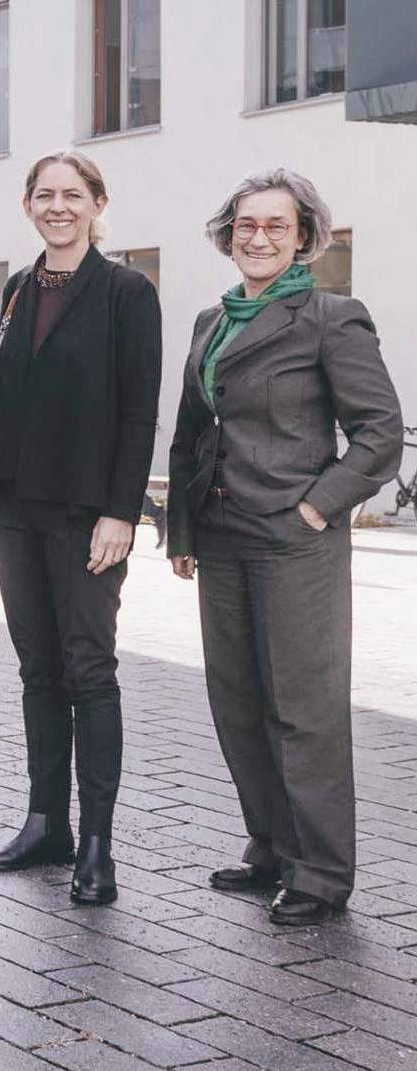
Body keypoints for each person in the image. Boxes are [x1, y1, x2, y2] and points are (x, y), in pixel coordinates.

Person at [167, 168, 401, 927]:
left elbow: (379, 435)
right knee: (236, 699)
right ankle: (269, 846)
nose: (258, 237)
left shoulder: (333, 316)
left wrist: (316, 509)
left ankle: (322, 874)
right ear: (227, 234)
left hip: (295, 539)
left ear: (302, 237)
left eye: (274, 225)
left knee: (304, 709)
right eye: (245, 225)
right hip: (224, 533)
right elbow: (191, 433)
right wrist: (182, 529)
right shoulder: (212, 319)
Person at [0, 151, 160, 906]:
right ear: (28, 205)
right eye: (44, 195)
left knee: (89, 669)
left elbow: (139, 411)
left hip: (86, 513)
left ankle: (98, 844)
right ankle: (47, 823)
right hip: (14, 506)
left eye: (72, 195)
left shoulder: (126, 292)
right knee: (38, 667)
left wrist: (122, 510)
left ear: (97, 203)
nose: (58, 207)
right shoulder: (18, 288)